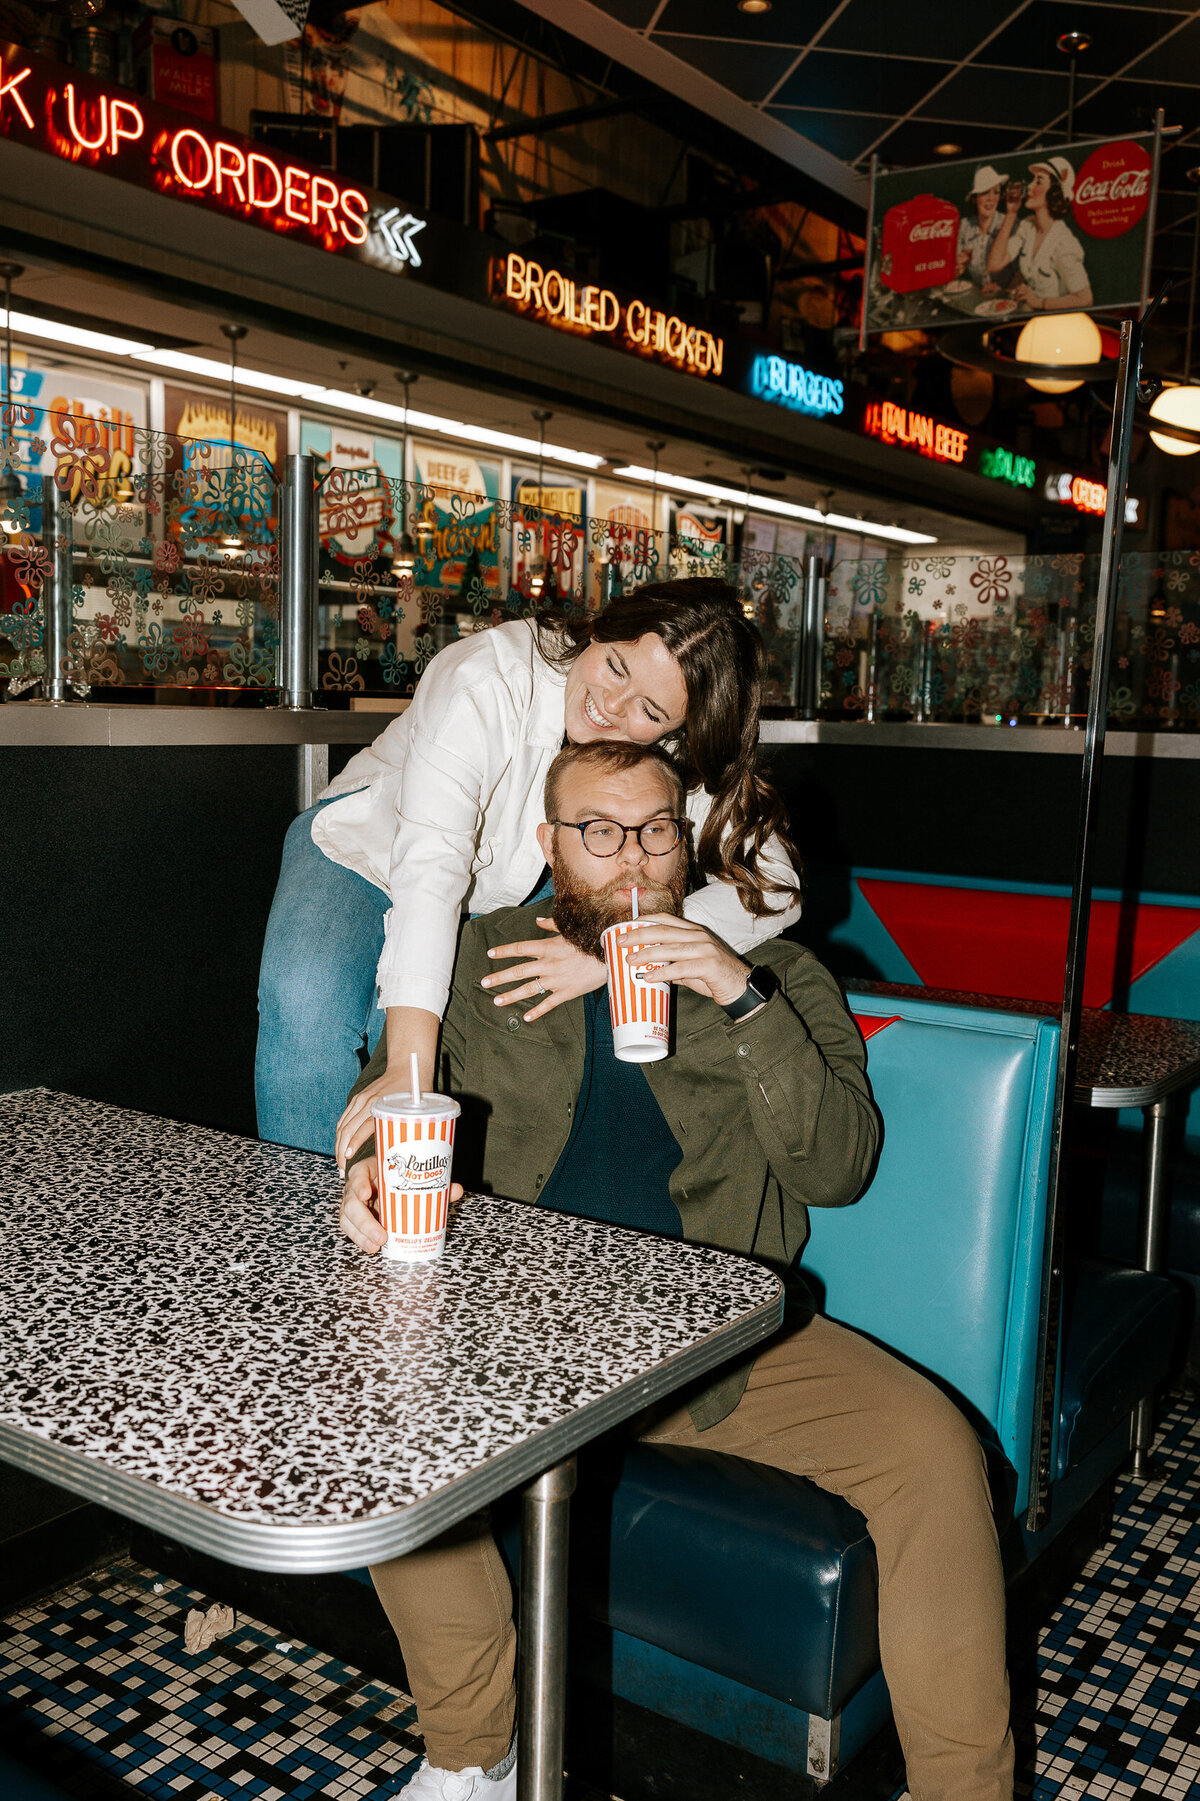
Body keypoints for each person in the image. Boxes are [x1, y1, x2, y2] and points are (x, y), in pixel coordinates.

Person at [339, 739, 1015, 1801]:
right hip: (514, 1329)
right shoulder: (474, 961)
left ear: (686, 843)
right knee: (382, 1417)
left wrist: (742, 1000)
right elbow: (390, 1095)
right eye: (597, 832)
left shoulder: (777, 976)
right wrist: (372, 1172)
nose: (632, 858)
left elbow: (837, 1168)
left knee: (933, 1453)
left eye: (655, 829)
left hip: (723, 1338)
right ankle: (471, 1757)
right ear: (547, 845)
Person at [254, 579, 802, 1158]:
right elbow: (432, 868)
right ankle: (303, 1225)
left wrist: (615, 957)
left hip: (498, 890)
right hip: (370, 843)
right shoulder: (488, 675)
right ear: (599, 628)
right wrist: (408, 1073)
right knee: (308, 998)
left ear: (678, 729)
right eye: (616, 666)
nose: (612, 706)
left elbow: (775, 885)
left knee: (412, 1034)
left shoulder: (667, 752)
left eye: (650, 710)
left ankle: (387, 1219)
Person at [987, 156, 1093, 312]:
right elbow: (994, 264)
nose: (1029, 187)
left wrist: (1039, 302)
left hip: (1058, 326)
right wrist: (1011, 213)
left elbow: (1085, 298)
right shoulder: (1028, 226)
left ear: (1054, 192)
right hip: (1032, 320)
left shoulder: (1063, 243)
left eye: (1038, 182)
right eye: (1032, 181)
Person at [956, 163, 1005, 286]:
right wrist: (958, 266)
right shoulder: (965, 226)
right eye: (985, 192)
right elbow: (955, 267)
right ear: (974, 198)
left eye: (996, 192)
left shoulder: (1008, 224)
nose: (991, 198)